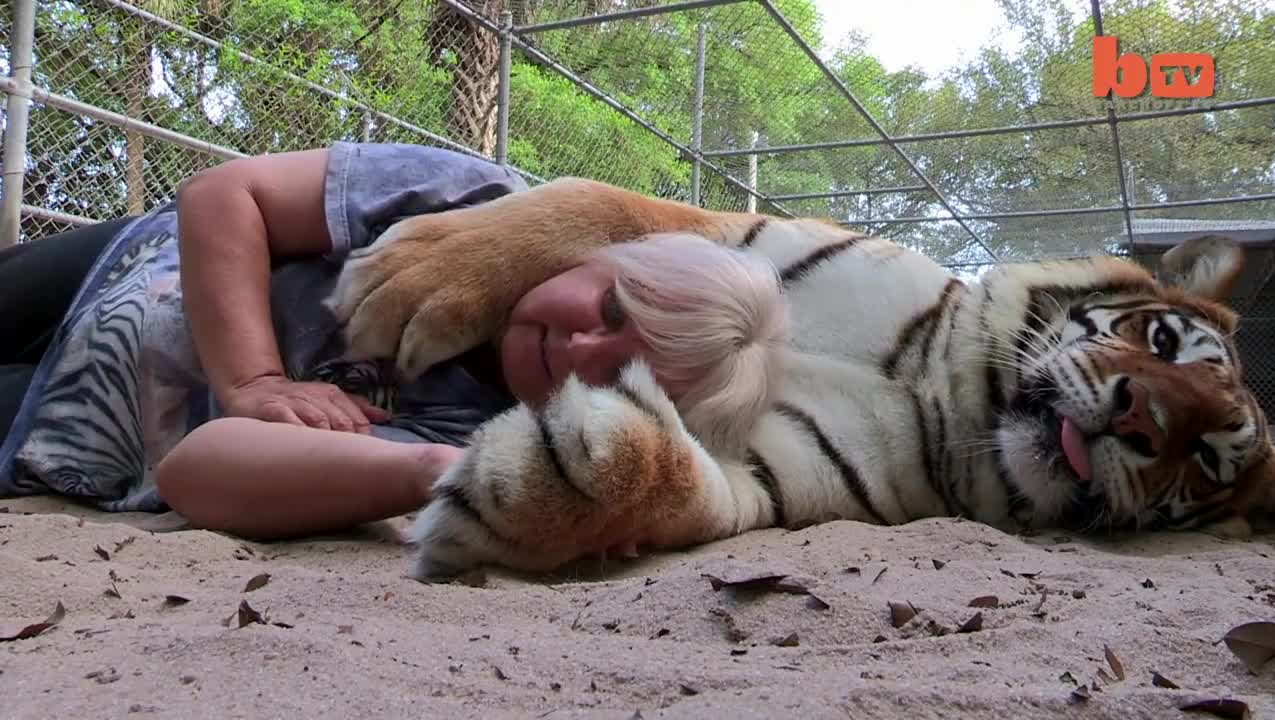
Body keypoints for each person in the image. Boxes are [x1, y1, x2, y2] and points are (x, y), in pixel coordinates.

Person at [0, 142, 788, 541]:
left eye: (615, 380)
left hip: (70, 436)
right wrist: (255, 380)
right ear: (604, 256)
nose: (578, 348)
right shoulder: (474, 201)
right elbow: (220, 193)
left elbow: (192, 471)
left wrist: (445, 473)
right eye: (613, 310)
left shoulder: (483, 434)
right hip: (114, 273)